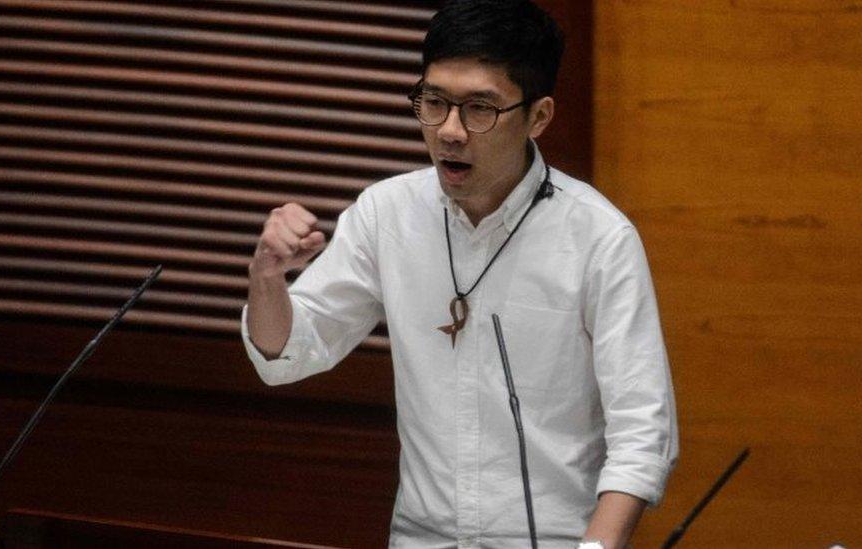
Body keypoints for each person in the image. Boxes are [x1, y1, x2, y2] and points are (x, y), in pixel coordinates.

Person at [242, 1, 678, 547]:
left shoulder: (597, 238)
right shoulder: (387, 213)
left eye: (479, 109)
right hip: (421, 539)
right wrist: (266, 277)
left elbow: (643, 431)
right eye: (434, 102)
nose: (450, 131)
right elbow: (287, 355)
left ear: (538, 117)